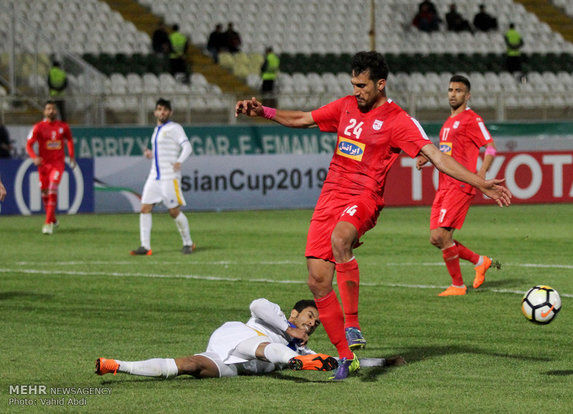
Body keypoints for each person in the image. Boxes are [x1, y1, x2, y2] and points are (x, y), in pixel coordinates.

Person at [235, 51, 512, 380]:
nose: (356, 90)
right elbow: (302, 119)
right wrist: (263, 111)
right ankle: (345, 356)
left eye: (362, 85)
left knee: (341, 240)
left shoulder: (398, 120)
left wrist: (482, 183)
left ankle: (352, 324)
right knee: (317, 280)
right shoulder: (345, 107)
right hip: (330, 197)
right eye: (353, 84)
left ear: (381, 84)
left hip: (365, 197)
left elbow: (436, 156)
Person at [95, 298, 338, 379]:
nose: (312, 323)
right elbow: (256, 305)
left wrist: (355, 362)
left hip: (238, 364)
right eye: (309, 316)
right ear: (295, 313)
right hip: (239, 337)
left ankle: (116, 365)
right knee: (268, 348)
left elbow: (333, 360)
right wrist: (287, 328)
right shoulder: (277, 315)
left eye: (316, 323)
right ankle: (296, 363)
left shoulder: (301, 349)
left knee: (191, 365)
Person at [416, 75, 500, 296]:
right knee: (436, 237)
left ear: (468, 95)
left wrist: (481, 175)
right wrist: (430, 156)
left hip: (461, 185)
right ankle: (480, 261)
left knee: (442, 236)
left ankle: (458, 285)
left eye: (459, 90)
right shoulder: (448, 121)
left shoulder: (472, 119)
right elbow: (448, 153)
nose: (453, 94)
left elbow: (490, 147)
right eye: (451, 90)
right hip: (444, 185)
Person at [130, 98, 194, 256]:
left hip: (169, 176)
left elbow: (187, 146)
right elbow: (162, 153)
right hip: (154, 176)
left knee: (173, 211)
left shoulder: (174, 128)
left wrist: (179, 161)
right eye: (159, 109)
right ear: (155, 112)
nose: (162, 112)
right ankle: (145, 246)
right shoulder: (157, 130)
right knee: (145, 208)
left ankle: (188, 243)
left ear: (170, 112)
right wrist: (151, 155)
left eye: (165, 109)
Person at [25, 101, 75, 235]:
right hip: (43, 165)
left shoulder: (63, 127)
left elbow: (69, 140)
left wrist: (71, 155)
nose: (51, 111)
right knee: (45, 193)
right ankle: (52, 219)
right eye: (48, 109)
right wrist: (34, 157)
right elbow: (28, 145)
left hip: (57, 164)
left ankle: (47, 224)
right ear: (44, 112)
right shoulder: (38, 127)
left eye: (53, 108)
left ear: (56, 111)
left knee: (53, 188)